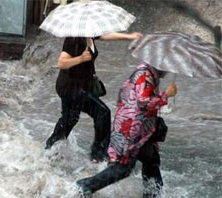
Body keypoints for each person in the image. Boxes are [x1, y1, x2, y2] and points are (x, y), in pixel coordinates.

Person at [76, 64, 177, 197]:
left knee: (151, 159)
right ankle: (85, 186)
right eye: (167, 67)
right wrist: (166, 95)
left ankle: (153, 194)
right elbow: (143, 102)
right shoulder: (144, 75)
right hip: (130, 129)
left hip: (141, 130)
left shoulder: (150, 76)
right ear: (159, 65)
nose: (168, 71)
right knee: (123, 168)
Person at [45, 32, 143, 162]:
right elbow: (61, 63)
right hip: (71, 87)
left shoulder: (89, 34)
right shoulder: (74, 39)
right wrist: (80, 58)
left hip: (78, 86)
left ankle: (50, 149)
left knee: (69, 119)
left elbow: (106, 36)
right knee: (102, 112)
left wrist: (129, 36)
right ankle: (98, 154)